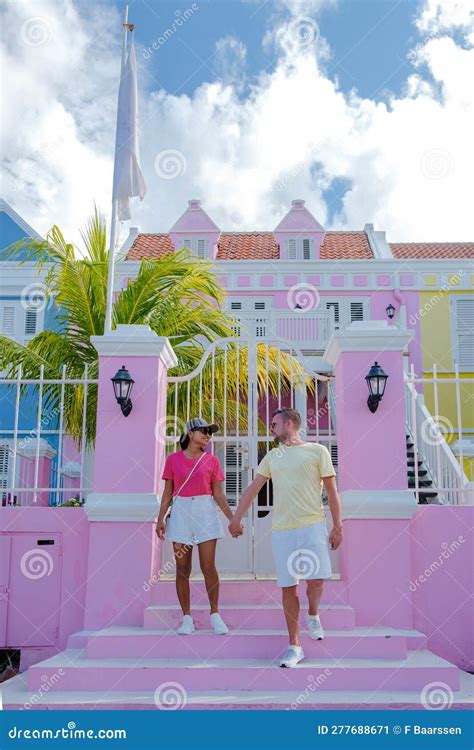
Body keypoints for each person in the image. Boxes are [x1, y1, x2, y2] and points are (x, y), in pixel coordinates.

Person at [229, 407, 343, 667]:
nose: (271, 428)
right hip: (283, 531)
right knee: (288, 586)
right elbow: (253, 489)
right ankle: (295, 645)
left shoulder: (317, 451)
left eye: (275, 423)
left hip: (313, 526)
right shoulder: (272, 456)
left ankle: (313, 613)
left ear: (290, 423)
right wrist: (236, 517)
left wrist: (338, 526)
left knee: (316, 581)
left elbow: (332, 491)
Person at [156, 418, 239, 635]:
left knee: (208, 565)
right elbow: (168, 492)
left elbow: (219, 494)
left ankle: (215, 614)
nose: (207, 435)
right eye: (203, 431)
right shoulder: (173, 459)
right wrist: (160, 519)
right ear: (190, 434)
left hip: (205, 510)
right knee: (182, 568)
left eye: (209, 433)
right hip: (181, 510)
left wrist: (232, 518)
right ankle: (186, 618)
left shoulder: (211, 461)